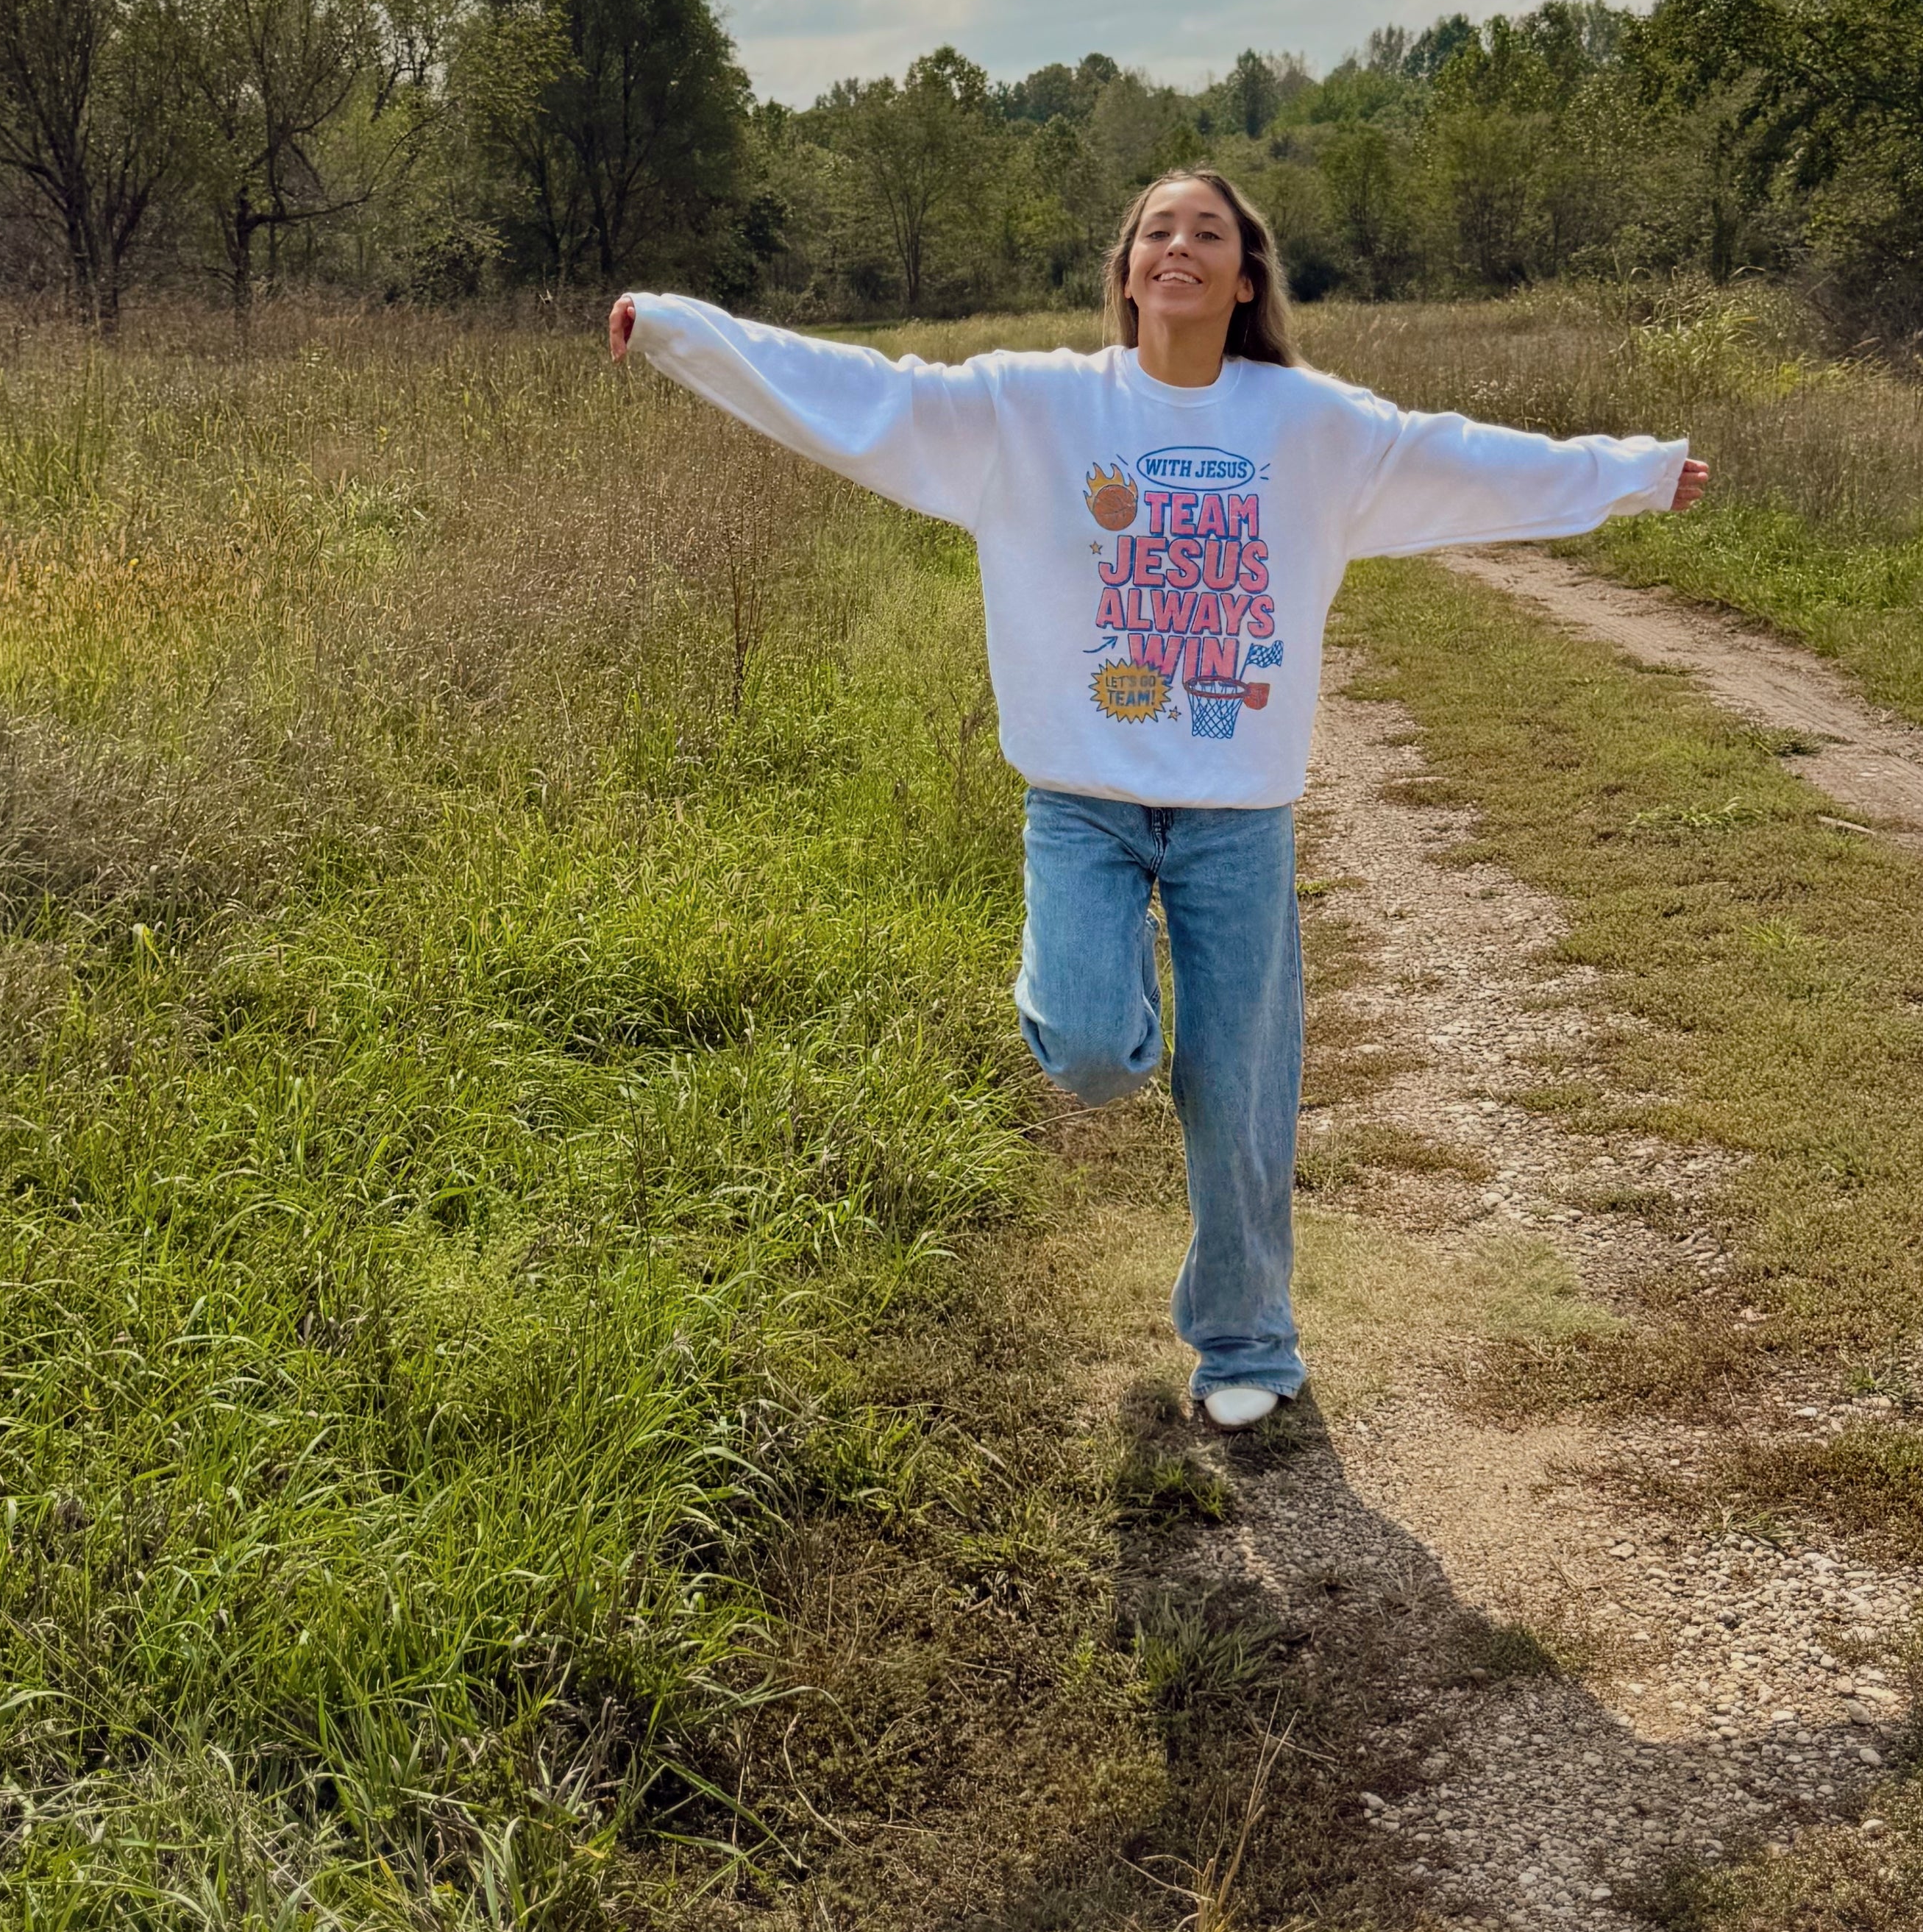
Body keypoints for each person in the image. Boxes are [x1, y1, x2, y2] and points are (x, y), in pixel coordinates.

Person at [609, 168, 1709, 1430]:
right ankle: (1113, 1028)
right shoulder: (1033, 406)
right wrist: (681, 327)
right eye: (1157, 231)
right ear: (1127, 272)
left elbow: (1461, 460)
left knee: (1236, 1088)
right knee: (1087, 1045)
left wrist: (1634, 472)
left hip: (1238, 811)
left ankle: (1247, 1343)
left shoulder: (1309, 423)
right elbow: (865, 393)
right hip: (1082, 799)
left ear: (1247, 280)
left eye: (1211, 234)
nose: (1180, 246)